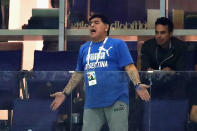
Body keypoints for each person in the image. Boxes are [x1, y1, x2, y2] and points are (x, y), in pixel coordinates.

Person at [50, 14, 150, 131]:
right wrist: (64, 93)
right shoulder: (84, 48)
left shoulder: (118, 44)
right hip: (92, 103)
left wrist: (137, 84)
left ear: (106, 27)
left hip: (116, 101)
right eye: (90, 23)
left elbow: (130, 67)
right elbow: (78, 73)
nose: (92, 25)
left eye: (96, 22)